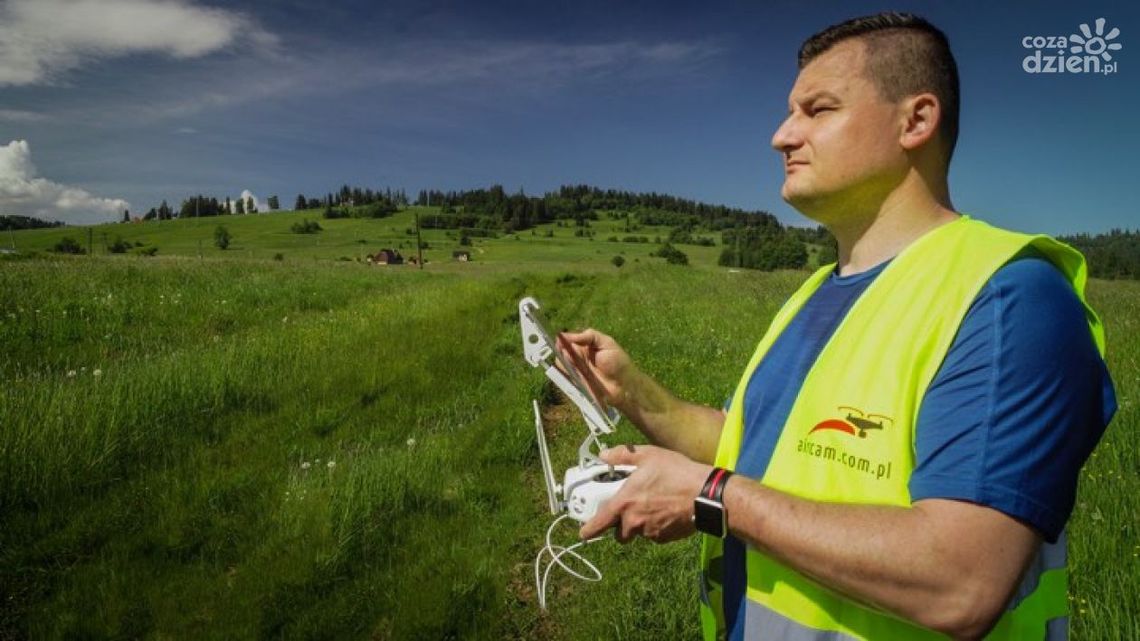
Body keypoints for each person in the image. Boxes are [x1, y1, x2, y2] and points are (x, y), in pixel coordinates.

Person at [560, 12, 1117, 641]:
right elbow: (748, 447)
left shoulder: (1008, 298)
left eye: (817, 109)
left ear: (916, 120)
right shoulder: (814, 294)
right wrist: (630, 390)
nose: (780, 135)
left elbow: (960, 580)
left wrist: (710, 498)